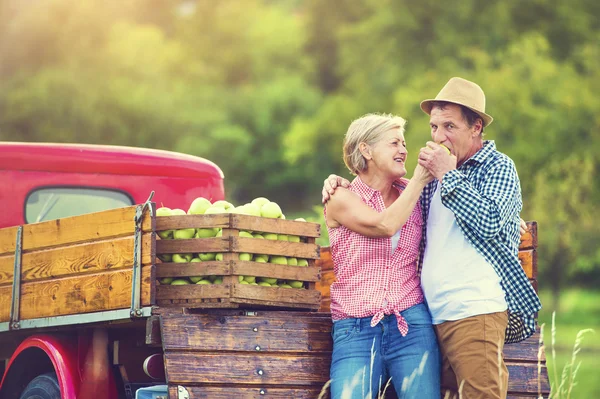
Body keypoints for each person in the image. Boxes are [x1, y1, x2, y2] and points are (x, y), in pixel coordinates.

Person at [322, 77, 542, 399]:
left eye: (449, 126)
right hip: (432, 315)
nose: (438, 137)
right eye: (434, 127)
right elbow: (396, 211)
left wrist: (447, 175)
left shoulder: (495, 166)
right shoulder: (424, 183)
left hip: (471, 310)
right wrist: (339, 180)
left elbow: (491, 222)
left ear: (476, 127)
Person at [324, 113, 440, 399]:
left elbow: (459, 207)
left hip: (411, 323)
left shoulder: (416, 192)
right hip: (356, 328)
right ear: (366, 149)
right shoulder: (341, 197)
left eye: (404, 143)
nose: (404, 150)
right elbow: (384, 225)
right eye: (394, 143)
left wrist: (512, 219)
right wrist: (420, 181)